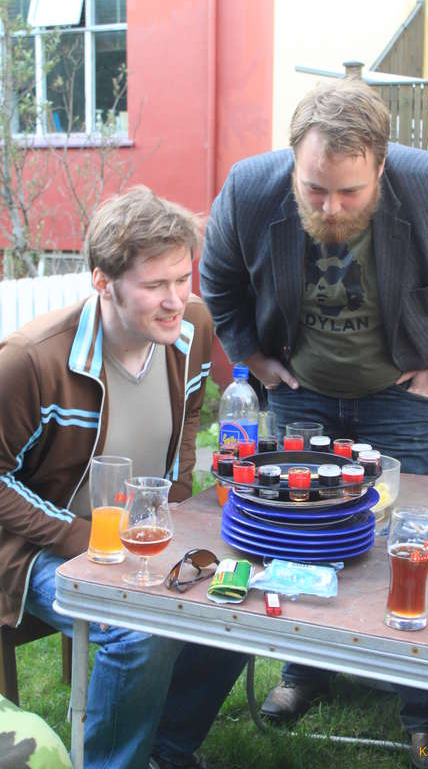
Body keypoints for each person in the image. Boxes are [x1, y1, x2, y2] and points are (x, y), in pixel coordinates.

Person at [199, 79, 428, 767]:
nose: (330, 208)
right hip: (302, 395)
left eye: (349, 193)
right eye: (313, 191)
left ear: (381, 166)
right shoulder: (251, 189)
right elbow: (216, 278)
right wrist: (252, 358)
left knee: (413, 547)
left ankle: (425, 707)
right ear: (292, 165)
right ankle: (304, 672)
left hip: (404, 399)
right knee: (301, 539)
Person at [0, 186, 247, 769]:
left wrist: (180, 500)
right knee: (138, 630)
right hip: (32, 550)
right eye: (155, 285)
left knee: (241, 595)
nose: (174, 300)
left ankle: (165, 749)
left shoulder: (192, 329)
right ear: (102, 281)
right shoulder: (31, 361)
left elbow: (187, 422)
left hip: (141, 535)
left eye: (182, 279)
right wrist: (77, 537)